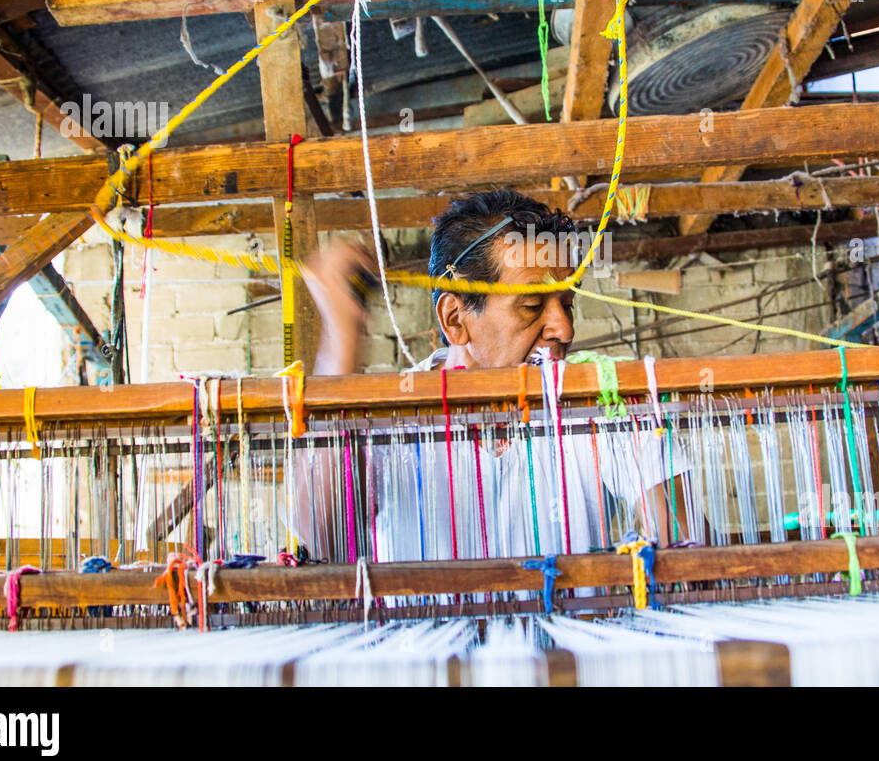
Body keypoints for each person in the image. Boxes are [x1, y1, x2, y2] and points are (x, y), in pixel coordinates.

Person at [296, 189, 692, 562]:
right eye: (532, 305)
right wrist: (342, 339)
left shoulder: (602, 401)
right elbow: (319, 542)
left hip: (569, 637)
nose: (564, 330)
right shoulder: (392, 418)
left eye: (567, 304)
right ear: (455, 320)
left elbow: (687, 541)